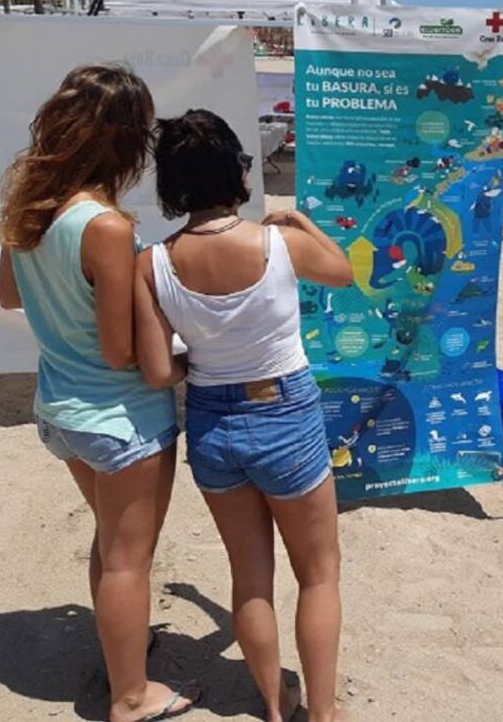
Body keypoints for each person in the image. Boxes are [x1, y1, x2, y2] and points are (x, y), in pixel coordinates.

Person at [133, 110, 353, 722]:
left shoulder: (151, 263)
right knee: (318, 576)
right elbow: (343, 270)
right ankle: (325, 713)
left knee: (250, 578)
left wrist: (198, 370)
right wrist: (305, 220)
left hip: (211, 420)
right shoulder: (279, 242)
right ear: (236, 170)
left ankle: (274, 709)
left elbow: (157, 370)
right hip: (285, 411)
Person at [0, 65, 196, 722]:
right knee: (128, 560)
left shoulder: (34, 202)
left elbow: (8, 295)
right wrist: (180, 345)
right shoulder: (105, 226)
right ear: (125, 141)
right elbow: (120, 350)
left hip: (62, 407)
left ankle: (123, 652)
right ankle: (132, 696)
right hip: (122, 416)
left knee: (112, 546)